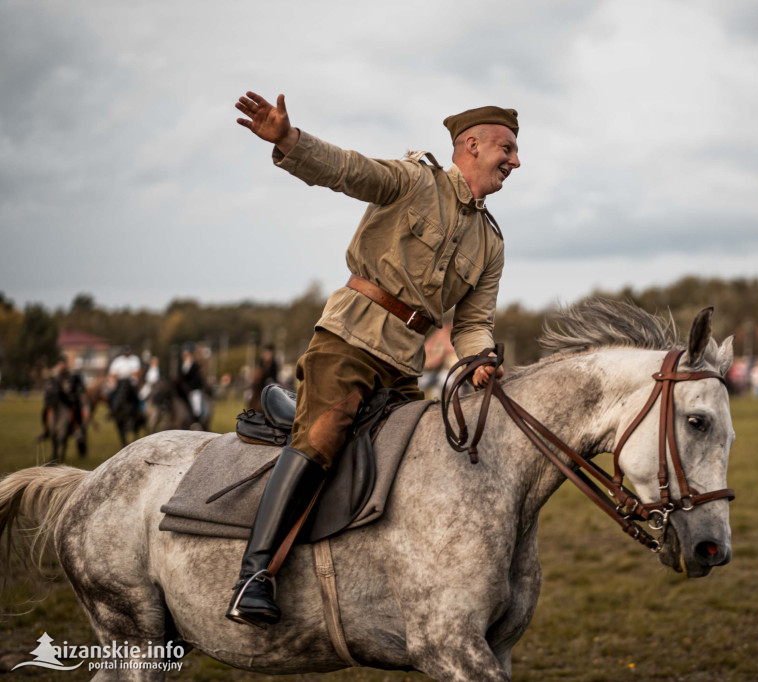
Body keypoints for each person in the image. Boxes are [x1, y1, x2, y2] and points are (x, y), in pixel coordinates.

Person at [225, 91, 520, 627]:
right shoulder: (414, 180)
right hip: (349, 341)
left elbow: (473, 323)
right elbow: (347, 171)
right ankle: (255, 574)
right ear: (471, 145)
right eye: (507, 148)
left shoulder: (492, 243)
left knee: (425, 456)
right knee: (323, 434)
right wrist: (289, 140)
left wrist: (480, 359)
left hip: (404, 368)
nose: (515, 161)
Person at [40, 355, 86, 440]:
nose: (62, 365)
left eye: (64, 364)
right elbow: (48, 386)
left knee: (76, 409)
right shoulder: (54, 374)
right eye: (60, 364)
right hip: (55, 400)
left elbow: (72, 388)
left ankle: (77, 429)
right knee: (45, 411)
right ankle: (45, 429)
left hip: (67, 400)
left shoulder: (71, 375)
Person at [177, 343, 207, 427]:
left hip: (193, 389)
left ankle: (197, 422)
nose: (184, 355)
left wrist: (189, 387)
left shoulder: (195, 365)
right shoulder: (181, 365)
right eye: (183, 354)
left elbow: (196, 379)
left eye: (186, 354)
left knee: (196, 406)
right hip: (183, 390)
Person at [107, 346, 142, 416]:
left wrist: (126, 373)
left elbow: (137, 372)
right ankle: (112, 411)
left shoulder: (135, 359)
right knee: (111, 395)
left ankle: (138, 411)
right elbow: (112, 373)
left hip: (131, 383)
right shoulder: (117, 361)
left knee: (137, 397)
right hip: (120, 382)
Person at [249, 343, 280, 410]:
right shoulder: (261, 361)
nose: (267, 354)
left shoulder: (274, 363)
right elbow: (258, 373)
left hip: (271, 382)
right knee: (249, 394)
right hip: (261, 384)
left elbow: (275, 376)